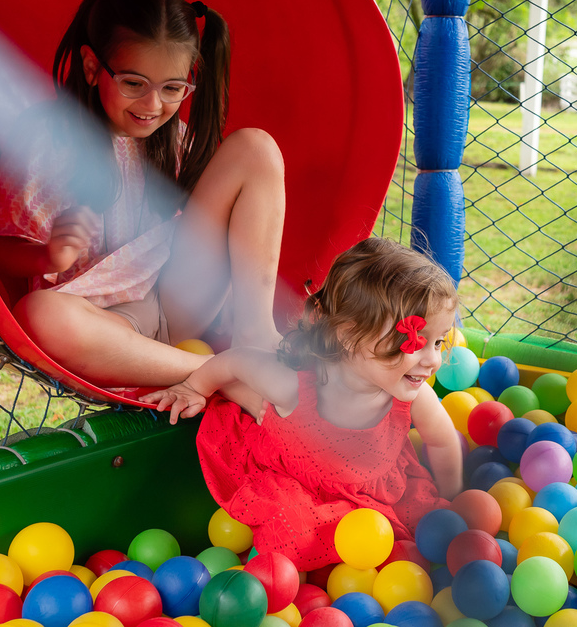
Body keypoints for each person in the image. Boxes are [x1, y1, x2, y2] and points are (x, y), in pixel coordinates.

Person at [0, 0, 286, 387]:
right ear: (91, 67)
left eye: (172, 88)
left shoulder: (172, 138)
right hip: (105, 326)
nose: (153, 105)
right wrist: (47, 258)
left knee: (256, 148)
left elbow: (213, 223)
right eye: (134, 84)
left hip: (175, 302)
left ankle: (255, 334)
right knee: (41, 316)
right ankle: (226, 372)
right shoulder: (49, 144)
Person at [141, 237, 465, 569]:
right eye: (414, 343)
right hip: (300, 487)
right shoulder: (295, 385)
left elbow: (441, 440)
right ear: (349, 334)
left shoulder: (412, 396)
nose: (433, 361)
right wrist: (194, 386)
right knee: (288, 533)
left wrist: (451, 494)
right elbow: (236, 361)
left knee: (435, 528)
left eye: (439, 343)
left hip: (377, 491)